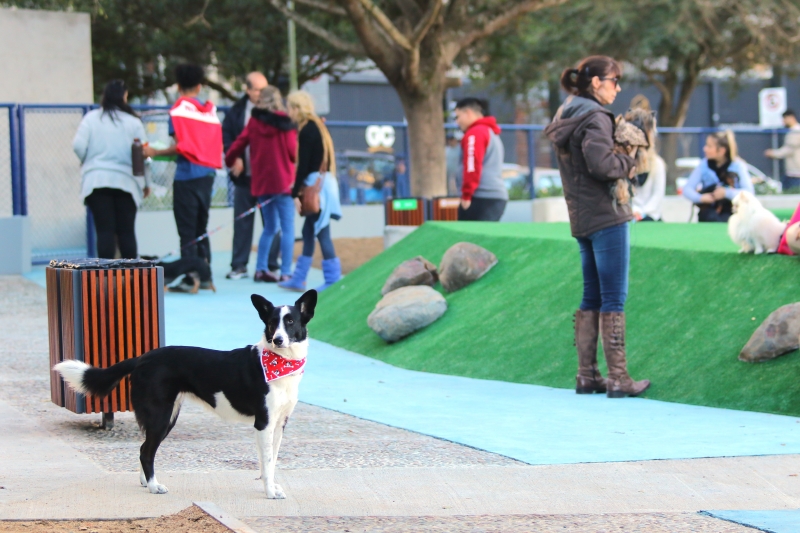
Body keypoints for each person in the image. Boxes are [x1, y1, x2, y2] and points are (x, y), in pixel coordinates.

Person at [544, 55, 650, 398]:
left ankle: (587, 375)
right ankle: (618, 378)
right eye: (613, 80)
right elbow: (602, 164)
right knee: (613, 298)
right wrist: (630, 160)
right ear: (595, 83)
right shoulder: (596, 116)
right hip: (607, 214)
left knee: (592, 294)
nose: (618, 88)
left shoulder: (567, 112)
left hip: (581, 216)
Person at [144, 64, 222, 287]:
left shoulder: (178, 110)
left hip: (186, 176)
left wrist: (154, 152)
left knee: (187, 232)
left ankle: (191, 277)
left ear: (178, 86)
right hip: (207, 174)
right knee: (201, 229)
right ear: (199, 87)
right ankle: (206, 276)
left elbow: (179, 145)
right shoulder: (208, 112)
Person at [225, 86, 297, 282]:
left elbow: (238, 144)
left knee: (270, 227)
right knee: (287, 228)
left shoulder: (254, 122)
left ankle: (260, 268)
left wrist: (230, 160)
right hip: (283, 182)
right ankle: (286, 272)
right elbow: (292, 152)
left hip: (262, 183)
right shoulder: (286, 123)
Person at [73, 80, 149, 259]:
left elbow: (77, 145)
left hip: (96, 181)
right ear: (124, 97)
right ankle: (132, 279)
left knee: (104, 231)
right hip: (126, 182)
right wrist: (146, 183)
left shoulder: (91, 118)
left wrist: (87, 160)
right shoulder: (133, 122)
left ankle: (104, 280)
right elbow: (143, 155)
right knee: (126, 232)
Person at [279, 90, 343, 292]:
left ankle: (333, 279)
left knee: (322, 232)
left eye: (290, 107)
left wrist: (295, 193)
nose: (288, 112)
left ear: (297, 109)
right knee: (309, 231)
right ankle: (299, 278)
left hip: (315, 188)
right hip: (324, 185)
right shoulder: (318, 127)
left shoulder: (307, 130)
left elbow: (304, 166)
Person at [222, 72, 281, 279]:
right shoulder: (236, 112)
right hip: (245, 178)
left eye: (264, 88)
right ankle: (239, 265)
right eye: (257, 89)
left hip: (268, 179)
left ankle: (271, 264)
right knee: (242, 222)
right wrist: (234, 157)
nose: (261, 93)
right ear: (247, 90)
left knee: (273, 223)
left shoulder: (276, 113)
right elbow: (228, 138)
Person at [454, 98, 508, 221]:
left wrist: (467, 195)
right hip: (490, 196)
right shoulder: (488, 131)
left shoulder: (475, 133)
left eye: (458, 117)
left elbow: (472, 165)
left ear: (468, 112)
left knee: (469, 239)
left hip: (481, 196)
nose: (457, 122)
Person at [681, 131, 753, 222]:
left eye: (709, 146)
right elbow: (687, 189)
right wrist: (701, 198)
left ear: (722, 151)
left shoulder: (738, 166)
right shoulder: (703, 166)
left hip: (734, 214)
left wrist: (726, 193)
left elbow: (749, 193)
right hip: (708, 215)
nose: (705, 149)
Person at [765, 110, 800, 192]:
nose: (783, 121)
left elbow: (789, 149)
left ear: (791, 118)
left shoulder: (796, 131)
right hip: (792, 172)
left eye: (785, 119)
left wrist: (773, 153)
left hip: (796, 172)